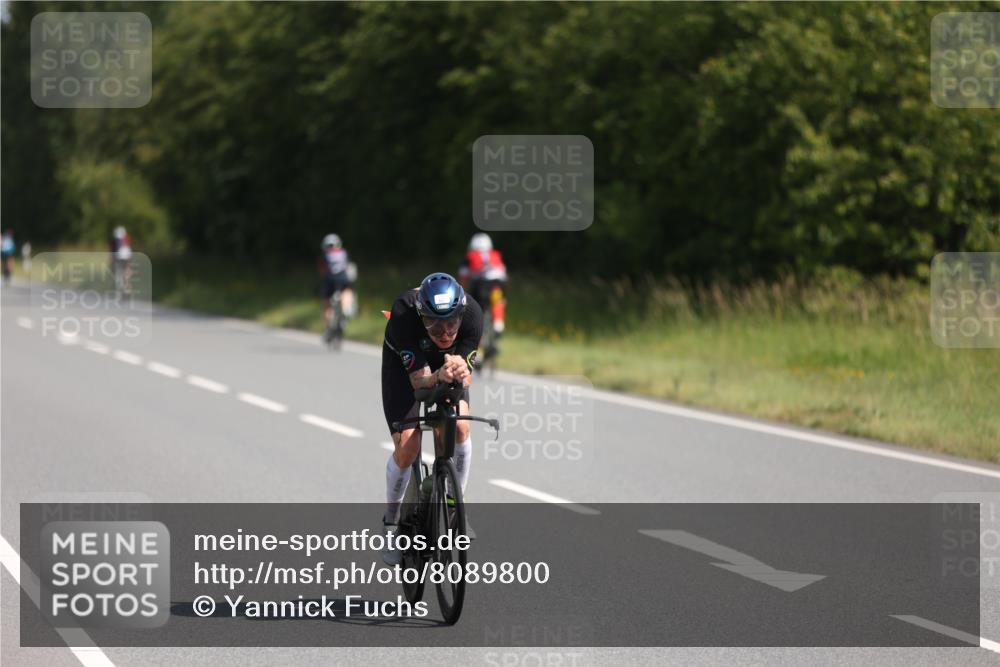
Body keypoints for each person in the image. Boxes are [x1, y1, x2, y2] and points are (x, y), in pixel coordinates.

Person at [380, 272, 482, 564]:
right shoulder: (403, 313)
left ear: (462, 313)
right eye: (434, 324)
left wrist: (461, 371)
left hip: (445, 366)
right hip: (405, 370)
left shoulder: (473, 313)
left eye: (452, 322)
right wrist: (438, 375)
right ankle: (391, 521)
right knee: (409, 448)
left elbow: (466, 378)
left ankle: (454, 508)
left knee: (459, 427)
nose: (445, 333)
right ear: (421, 315)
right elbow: (418, 382)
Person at [459, 232, 507, 334]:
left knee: (476, 308)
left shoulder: (470, 256)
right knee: (498, 300)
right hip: (498, 284)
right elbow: (503, 273)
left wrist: (462, 293)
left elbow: (464, 276)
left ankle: (477, 330)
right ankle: (498, 321)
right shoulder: (495, 255)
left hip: (481, 285)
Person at [319, 234, 354, 331]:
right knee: (347, 290)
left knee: (327, 304)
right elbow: (348, 266)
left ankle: (329, 327)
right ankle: (346, 309)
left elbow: (322, 271)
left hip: (330, 279)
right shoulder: (344, 252)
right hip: (343, 278)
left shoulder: (325, 254)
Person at [109, 226, 133, 291]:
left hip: (119, 257)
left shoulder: (114, 241)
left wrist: (111, 259)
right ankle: (127, 284)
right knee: (127, 270)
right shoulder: (127, 239)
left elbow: (112, 251)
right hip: (126, 256)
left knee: (117, 270)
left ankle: (121, 284)